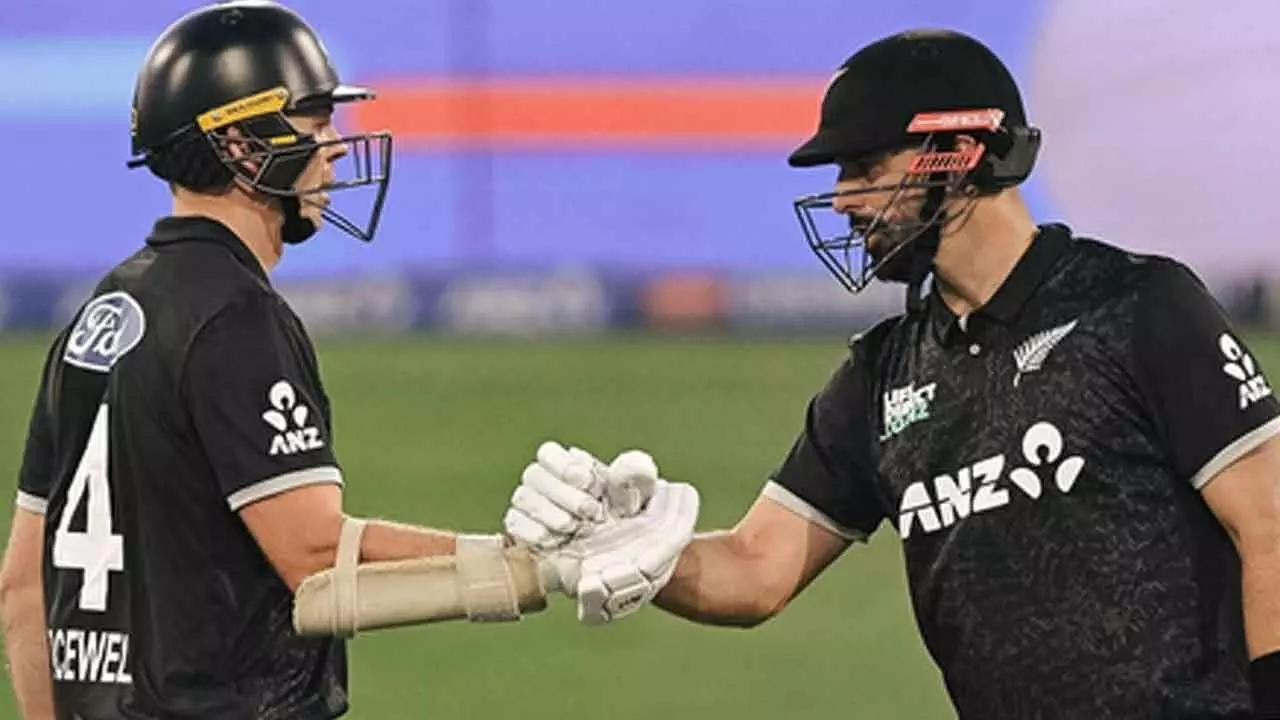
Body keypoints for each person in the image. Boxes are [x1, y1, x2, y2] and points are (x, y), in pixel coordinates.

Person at [503, 28, 1280, 719]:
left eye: (865, 166)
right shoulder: (881, 375)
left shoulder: (1136, 305)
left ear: (963, 153)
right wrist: (632, 548)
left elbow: (1271, 525)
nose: (842, 199)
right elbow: (756, 570)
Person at [0, 2, 698, 718]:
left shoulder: (101, 314)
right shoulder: (236, 318)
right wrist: (529, 565)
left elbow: (24, 588)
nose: (335, 147)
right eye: (315, 123)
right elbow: (315, 564)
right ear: (242, 146)